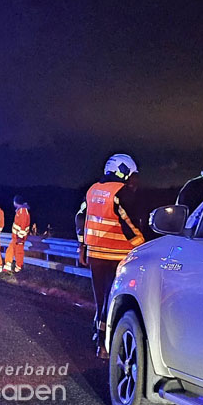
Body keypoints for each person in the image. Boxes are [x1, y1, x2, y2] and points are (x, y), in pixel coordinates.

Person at [76, 153, 145, 359]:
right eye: (133, 175)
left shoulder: (92, 190)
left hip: (96, 255)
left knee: (101, 299)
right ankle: (108, 343)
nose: (135, 180)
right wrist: (144, 247)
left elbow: (81, 218)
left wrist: (82, 246)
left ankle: (100, 338)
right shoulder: (122, 193)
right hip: (119, 256)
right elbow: (130, 225)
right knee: (113, 298)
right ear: (123, 172)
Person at [4, 195, 30, 273]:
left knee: (18, 253)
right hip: (16, 237)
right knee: (11, 250)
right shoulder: (20, 211)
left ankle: (18, 268)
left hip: (19, 237)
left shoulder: (23, 212)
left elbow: (23, 225)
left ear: (16, 202)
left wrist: (20, 237)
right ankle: (8, 267)